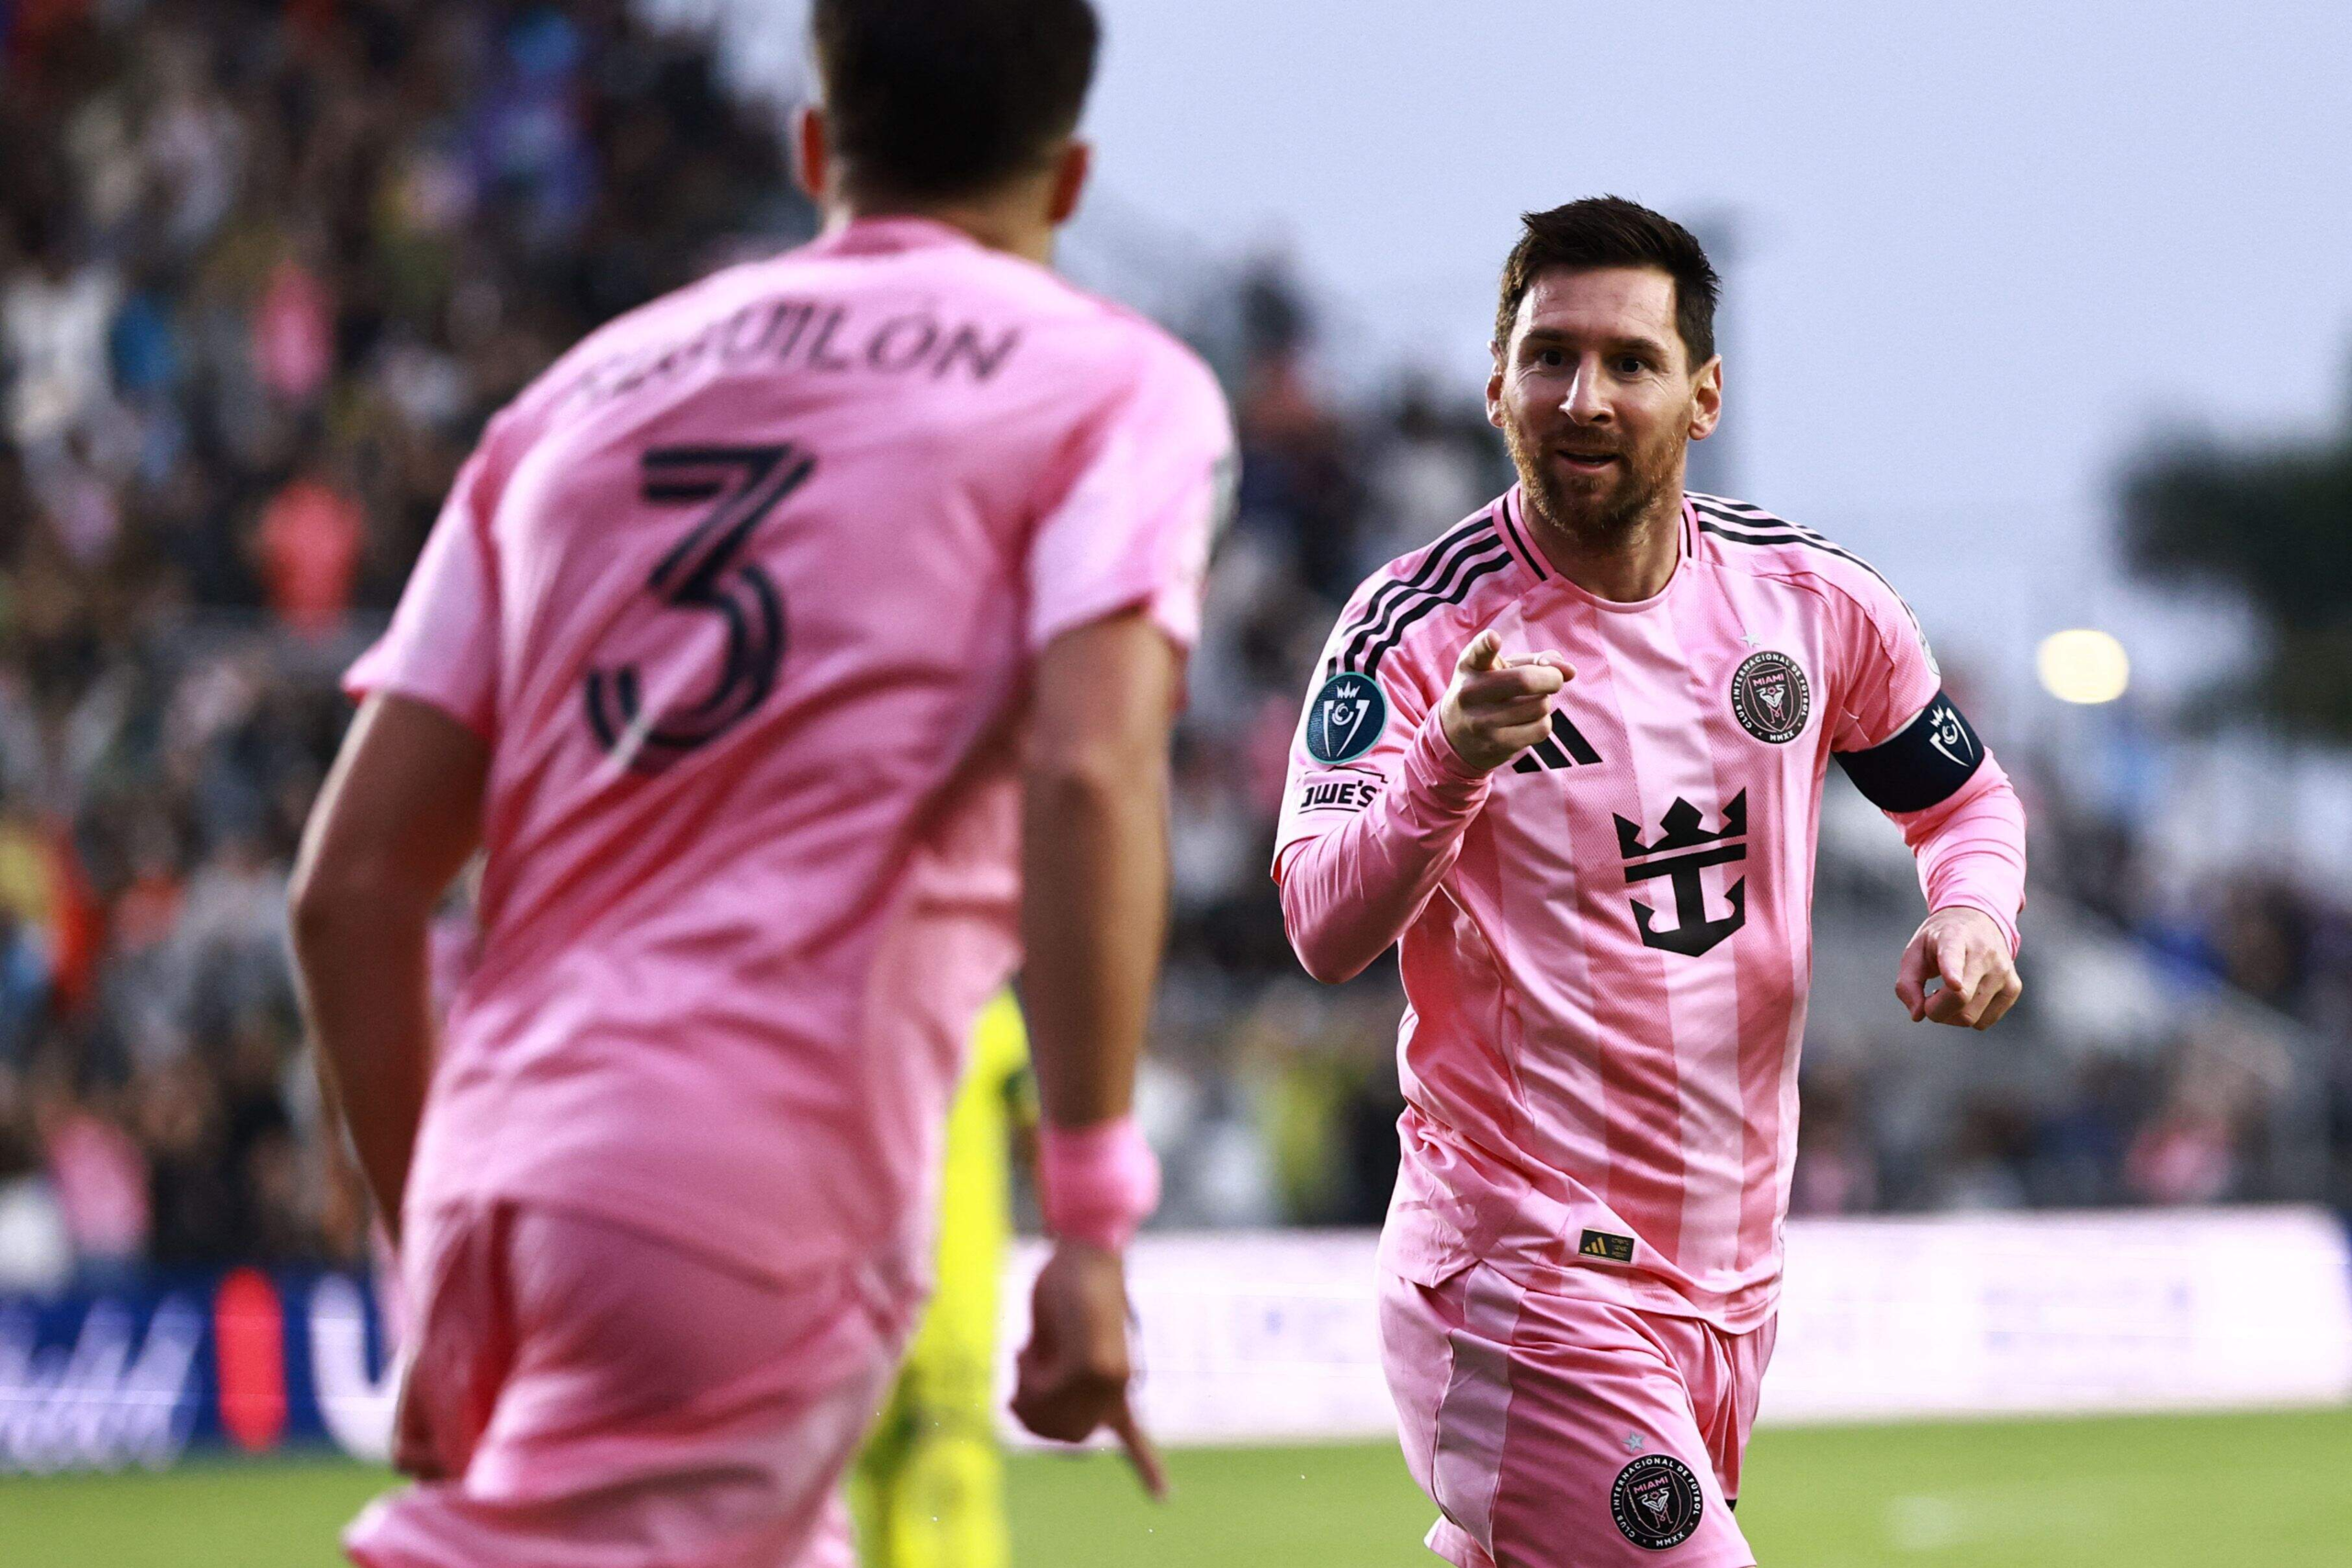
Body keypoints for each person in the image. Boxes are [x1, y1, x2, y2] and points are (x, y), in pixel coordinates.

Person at [288, 0, 1230, 1562]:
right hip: (759, 1173)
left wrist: (435, 1255)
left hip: (495, 1156)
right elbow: (1091, 767)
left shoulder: (571, 399)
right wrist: (1090, 1215)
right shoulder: (1113, 387)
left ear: (813, 149)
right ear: (1067, 178)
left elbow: (350, 886)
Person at [1273, 197, 2026, 1568]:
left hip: (1726, 1286)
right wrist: (1448, 758)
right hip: (1518, 1272)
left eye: (1629, 360)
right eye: (1549, 356)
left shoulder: (1809, 603)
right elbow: (1320, 923)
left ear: (1704, 396)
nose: (1584, 396)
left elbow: (1962, 800)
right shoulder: (1414, 628)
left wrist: (1972, 908)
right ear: (1495, 385)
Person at [851, 991, 1033, 1568]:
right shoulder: (982, 1002)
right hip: (880, 1280)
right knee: (892, 1464)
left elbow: (1040, 1133)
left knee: (942, 1460)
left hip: (942, 1281)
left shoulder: (984, 1005)